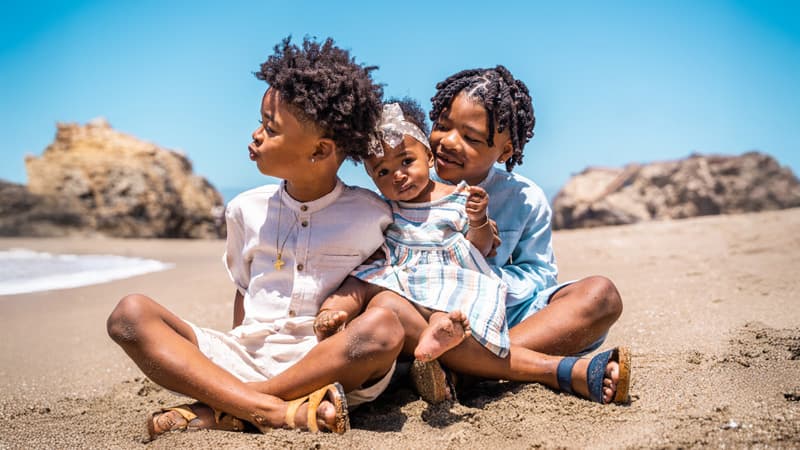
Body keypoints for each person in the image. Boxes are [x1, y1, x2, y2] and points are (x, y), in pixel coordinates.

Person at [106, 36, 404, 438]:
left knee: (384, 329)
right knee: (130, 315)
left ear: (319, 150)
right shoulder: (245, 209)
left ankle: (232, 405)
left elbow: (383, 292)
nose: (256, 134)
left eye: (271, 127)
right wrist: (231, 354)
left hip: (326, 362)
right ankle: (273, 410)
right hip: (245, 354)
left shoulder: (374, 214)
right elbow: (244, 292)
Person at [336, 66, 631, 406]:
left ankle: (467, 370)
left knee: (601, 295)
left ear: (505, 151)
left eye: (471, 138)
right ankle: (527, 367)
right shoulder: (406, 184)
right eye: (443, 125)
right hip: (433, 315)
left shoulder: (523, 198)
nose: (448, 141)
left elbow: (539, 274)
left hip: (506, 316)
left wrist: (479, 281)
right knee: (391, 307)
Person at [314, 100, 510, 367]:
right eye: (383, 171)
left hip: (445, 275)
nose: (397, 175)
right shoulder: (384, 209)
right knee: (357, 282)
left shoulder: (457, 198)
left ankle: (441, 327)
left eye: (406, 161)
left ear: (429, 157)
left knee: (444, 303)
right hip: (401, 275)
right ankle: (332, 314)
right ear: (372, 180)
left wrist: (478, 221)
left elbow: (481, 249)